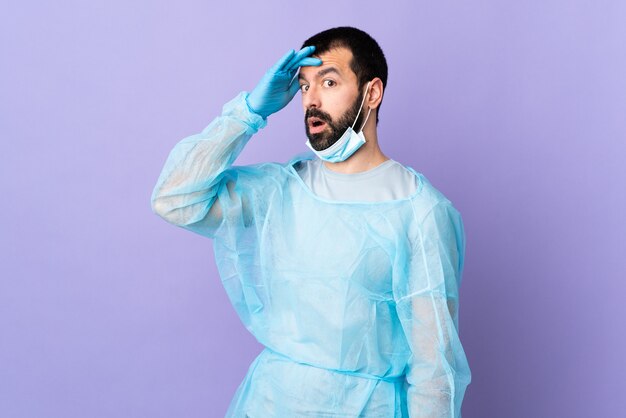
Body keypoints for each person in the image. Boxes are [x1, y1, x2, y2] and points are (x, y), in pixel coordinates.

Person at [151, 26, 471, 417]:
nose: (311, 100)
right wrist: (250, 112)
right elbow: (174, 199)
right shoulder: (281, 191)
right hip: (270, 404)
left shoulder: (419, 211)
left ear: (372, 93)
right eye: (304, 87)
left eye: (329, 82)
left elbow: (435, 372)